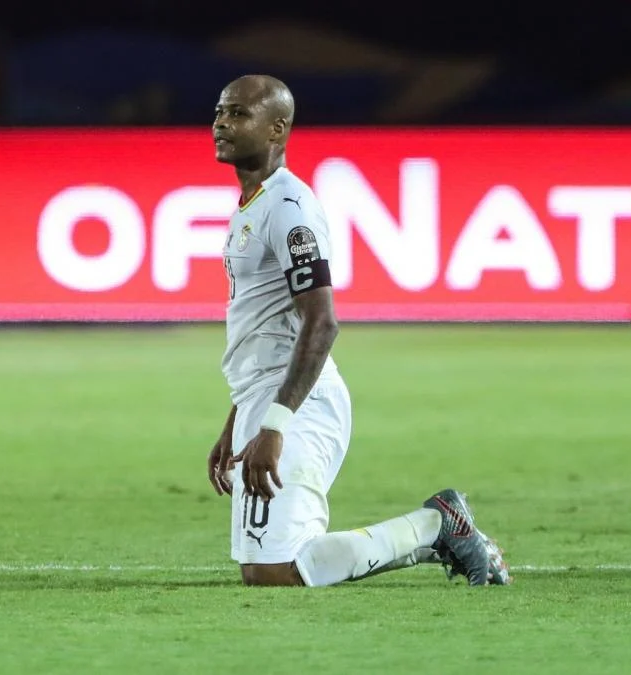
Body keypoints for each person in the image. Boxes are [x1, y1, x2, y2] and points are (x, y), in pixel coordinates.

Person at [206, 74, 511, 588]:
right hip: (265, 396)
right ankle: (436, 529)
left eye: (237, 113)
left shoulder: (288, 209)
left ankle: (437, 525)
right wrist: (237, 420)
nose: (220, 123)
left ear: (278, 128)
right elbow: (267, 326)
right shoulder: (253, 206)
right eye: (219, 111)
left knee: (278, 570)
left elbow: (322, 322)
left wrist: (275, 423)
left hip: (297, 403)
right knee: (264, 569)